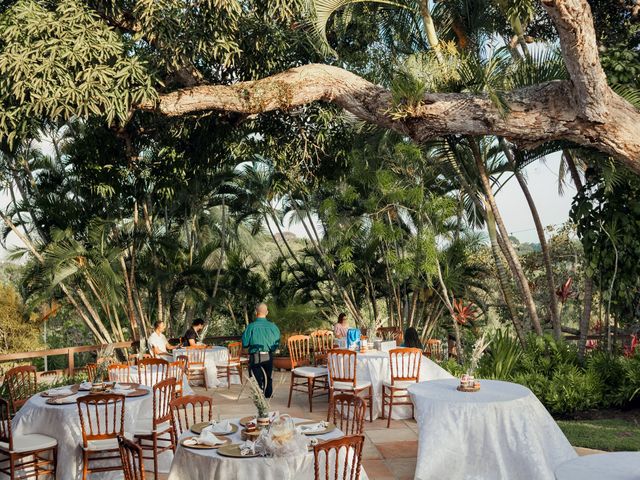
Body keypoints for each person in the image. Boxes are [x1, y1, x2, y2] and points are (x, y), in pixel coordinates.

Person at [241, 303, 280, 398]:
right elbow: (277, 343)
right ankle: (268, 395)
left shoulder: (251, 327)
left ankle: (259, 396)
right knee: (268, 377)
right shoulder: (273, 327)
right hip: (268, 355)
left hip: (255, 356)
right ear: (267, 312)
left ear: (256, 312)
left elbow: (245, 343)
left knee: (256, 377)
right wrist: (271, 349)